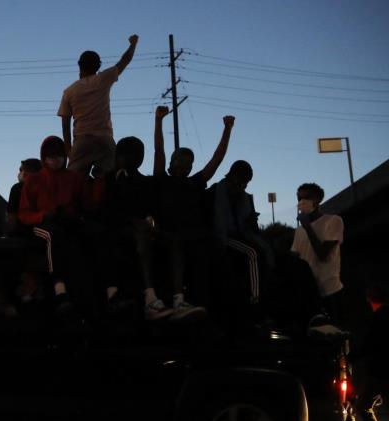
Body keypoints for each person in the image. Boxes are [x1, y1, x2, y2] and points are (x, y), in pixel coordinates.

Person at [152, 106, 235, 318]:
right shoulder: (162, 180)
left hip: (195, 235)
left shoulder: (195, 182)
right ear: (171, 163)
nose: (183, 165)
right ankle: (178, 300)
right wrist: (159, 120)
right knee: (180, 246)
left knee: (212, 254)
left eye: (187, 163)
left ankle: (212, 308)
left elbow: (217, 159)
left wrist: (227, 130)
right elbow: (159, 150)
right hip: (170, 234)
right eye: (179, 160)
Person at [100, 136, 174, 320]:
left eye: (135, 155)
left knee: (169, 240)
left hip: (141, 230)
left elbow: (151, 209)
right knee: (138, 238)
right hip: (118, 230)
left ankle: (175, 297)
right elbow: (109, 210)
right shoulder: (111, 179)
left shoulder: (144, 182)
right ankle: (150, 297)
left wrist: (150, 224)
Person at [59, 34, 139, 177]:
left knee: (73, 181)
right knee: (110, 178)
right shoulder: (103, 79)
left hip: (81, 140)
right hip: (104, 139)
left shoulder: (69, 91)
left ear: (79, 65)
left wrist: (69, 150)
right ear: (98, 66)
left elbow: (65, 123)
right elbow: (125, 60)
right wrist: (133, 43)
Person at [18, 136, 85, 306]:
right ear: (44, 157)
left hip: (67, 224)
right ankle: (59, 285)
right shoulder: (34, 180)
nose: (55, 159)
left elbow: (84, 204)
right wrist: (43, 216)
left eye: (58, 155)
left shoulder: (74, 178)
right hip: (41, 225)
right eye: (51, 155)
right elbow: (24, 213)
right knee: (52, 235)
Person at [207, 161, 271, 305]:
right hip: (224, 235)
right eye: (240, 181)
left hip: (243, 234)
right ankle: (256, 297)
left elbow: (253, 229)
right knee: (253, 253)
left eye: (245, 183)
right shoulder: (215, 192)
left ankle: (262, 291)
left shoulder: (246, 198)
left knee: (264, 250)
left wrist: (251, 222)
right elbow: (214, 222)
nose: (241, 186)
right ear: (231, 177)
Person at [291, 182, 344, 323]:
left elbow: (322, 254)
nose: (302, 202)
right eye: (299, 198)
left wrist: (308, 226)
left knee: (335, 333)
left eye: (307, 197)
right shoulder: (299, 231)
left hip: (330, 291)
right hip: (308, 293)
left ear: (318, 200)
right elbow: (296, 259)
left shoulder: (333, 221)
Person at [356, 283, 389, 421]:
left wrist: (349, 357)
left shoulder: (378, 319)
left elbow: (368, 346)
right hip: (382, 373)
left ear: (369, 299)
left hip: (380, 373)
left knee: (364, 406)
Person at [6, 158, 42, 235]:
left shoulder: (17, 188)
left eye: (21, 170)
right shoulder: (46, 188)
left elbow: (12, 216)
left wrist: (9, 235)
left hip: (22, 233)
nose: (20, 173)